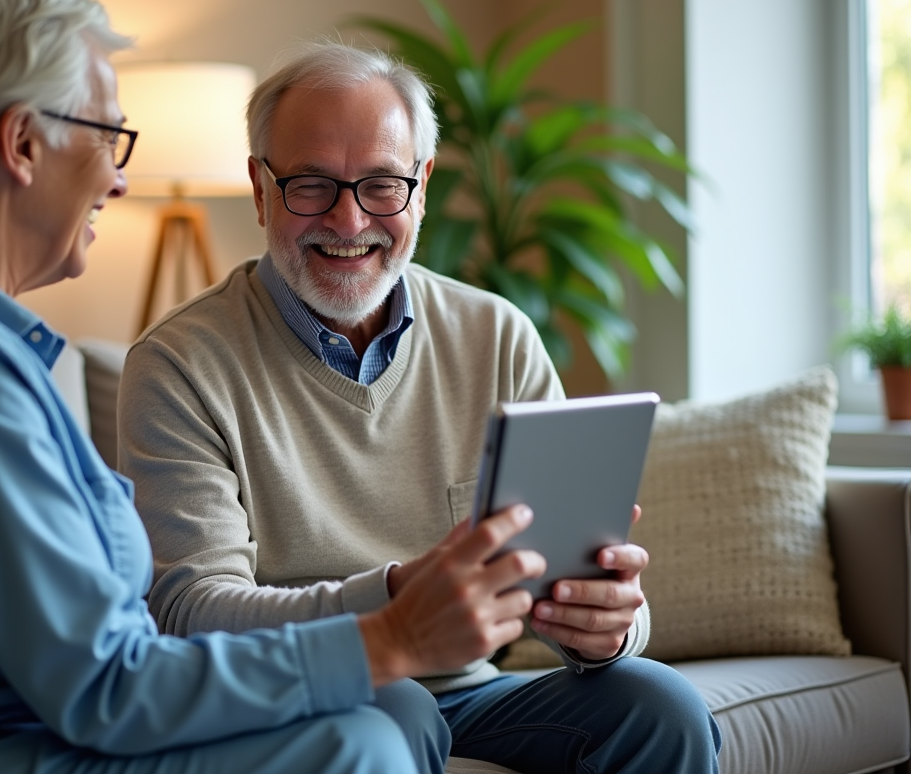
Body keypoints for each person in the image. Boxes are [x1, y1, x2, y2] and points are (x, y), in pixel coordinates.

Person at [0, 0, 564, 773]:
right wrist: (392, 639)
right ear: (22, 143)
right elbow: (106, 684)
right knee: (365, 740)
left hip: (6, 727)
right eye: (108, 135)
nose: (120, 176)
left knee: (378, 724)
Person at [116, 41, 723, 773]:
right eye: (311, 185)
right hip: (305, 697)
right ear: (260, 188)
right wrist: (397, 606)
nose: (348, 222)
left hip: (471, 693)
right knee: (392, 705)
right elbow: (189, 614)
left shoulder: (497, 335)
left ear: (422, 184)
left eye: (381, 184)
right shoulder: (177, 364)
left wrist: (608, 624)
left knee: (661, 706)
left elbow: (571, 568)